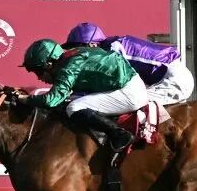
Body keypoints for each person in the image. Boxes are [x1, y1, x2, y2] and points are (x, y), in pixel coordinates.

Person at [16, 39, 148, 152]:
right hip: (125, 84)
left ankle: (119, 134)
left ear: (49, 64)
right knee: (70, 103)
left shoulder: (69, 67)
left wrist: (24, 99)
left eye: (39, 72)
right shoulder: (72, 55)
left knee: (74, 108)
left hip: (129, 93)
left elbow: (51, 100)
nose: (39, 78)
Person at [64, 22, 195, 106]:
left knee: (124, 103)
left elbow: (110, 85)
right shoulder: (110, 46)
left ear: (92, 44)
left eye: (78, 48)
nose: (77, 53)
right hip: (169, 75)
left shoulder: (112, 50)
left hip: (173, 79)